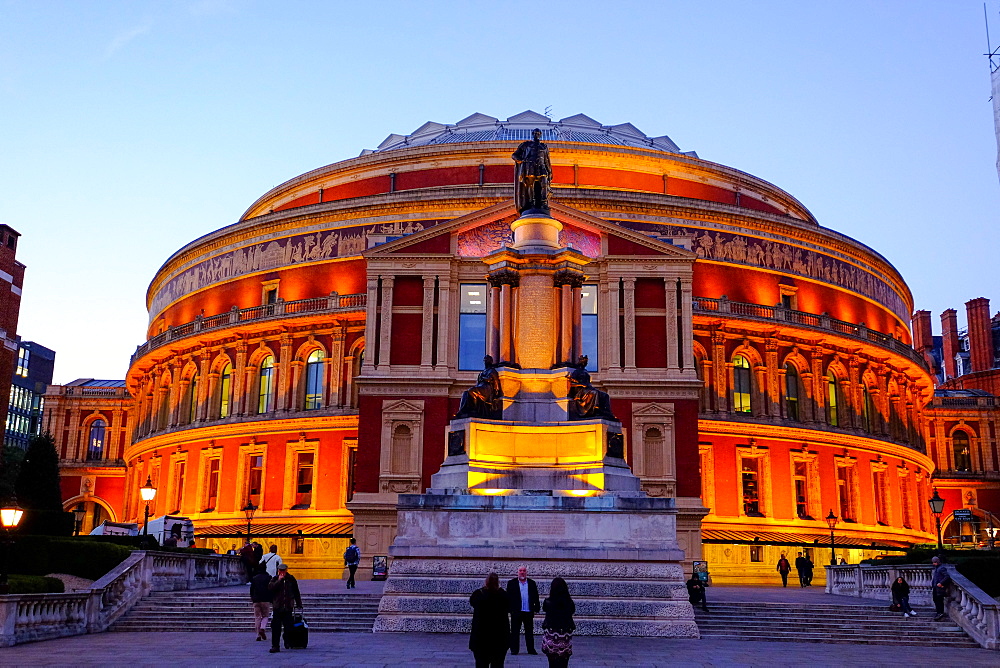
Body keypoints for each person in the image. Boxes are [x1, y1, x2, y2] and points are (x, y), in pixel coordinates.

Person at [470, 572, 510, 668]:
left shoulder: (478, 594)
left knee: (481, 664)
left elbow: (472, 603)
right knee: (498, 664)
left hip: (481, 638)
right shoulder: (503, 595)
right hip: (499, 638)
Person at [512, 128, 553, 215]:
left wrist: (549, 172)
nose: (536, 135)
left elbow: (547, 160)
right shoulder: (526, 145)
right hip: (530, 167)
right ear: (532, 134)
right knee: (530, 186)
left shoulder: (544, 146)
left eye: (538, 133)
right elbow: (514, 155)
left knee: (544, 184)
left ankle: (543, 202)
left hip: (541, 167)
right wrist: (522, 160)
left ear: (540, 134)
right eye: (535, 133)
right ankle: (531, 203)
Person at [268, 563, 303, 653]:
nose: (282, 572)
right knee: (276, 628)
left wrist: (299, 603)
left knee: (288, 627)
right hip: (277, 607)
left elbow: (296, 592)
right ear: (278, 571)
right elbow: (271, 588)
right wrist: (279, 581)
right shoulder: (275, 579)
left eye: (283, 571)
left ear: (286, 570)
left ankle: (287, 640)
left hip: (288, 607)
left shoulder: (291, 579)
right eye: (280, 571)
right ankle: (275, 645)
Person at [455, 356, 503, 420]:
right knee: (465, 393)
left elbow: (493, 381)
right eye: (484, 360)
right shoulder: (483, 372)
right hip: (481, 387)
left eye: (486, 360)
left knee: (472, 391)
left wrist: (496, 392)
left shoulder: (492, 370)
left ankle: (474, 410)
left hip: (487, 389)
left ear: (490, 362)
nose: (485, 362)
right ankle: (463, 410)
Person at [541, 577, 575, 668]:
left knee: (552, 662)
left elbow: (545, 609)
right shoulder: (569, 602)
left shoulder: (548, 602)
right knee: (564, 662)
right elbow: (572, 611)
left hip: (552, 634)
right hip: (564, 635)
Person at [507, 565, 540, 655]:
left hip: (528, 611)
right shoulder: (511, 583)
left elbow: (535, 596)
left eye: (524, 571)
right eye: (520, 571)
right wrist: (510, 609)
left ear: (526, 572)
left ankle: (531, 649)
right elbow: (508, 597)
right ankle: (514, 649)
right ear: (518, 572)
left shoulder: (532, 583)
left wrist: (536, 607)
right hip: (516, 611)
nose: (522, 572)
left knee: (529, 632)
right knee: (514, 632)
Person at [250, 568, 273, 641]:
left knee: (257, 617)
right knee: (265, 616)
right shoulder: (268, 578)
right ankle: (262, 628)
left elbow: (251, 589)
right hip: (265, 599)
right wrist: (271, 599)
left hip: (256, 600)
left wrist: (253, 598)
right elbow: (271, 589)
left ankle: (258, 635)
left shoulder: (254, 578)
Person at [931, 556, 952, 621]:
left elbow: (947, 576)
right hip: (935, 587)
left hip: (939, 588)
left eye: (934, 562)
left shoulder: (941, 568)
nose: (933, 564)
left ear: (937, 562)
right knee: (935, 599)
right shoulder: (937, 568)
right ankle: (938, 612)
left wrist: (941, 583)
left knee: (939, 600)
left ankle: (940, 612)